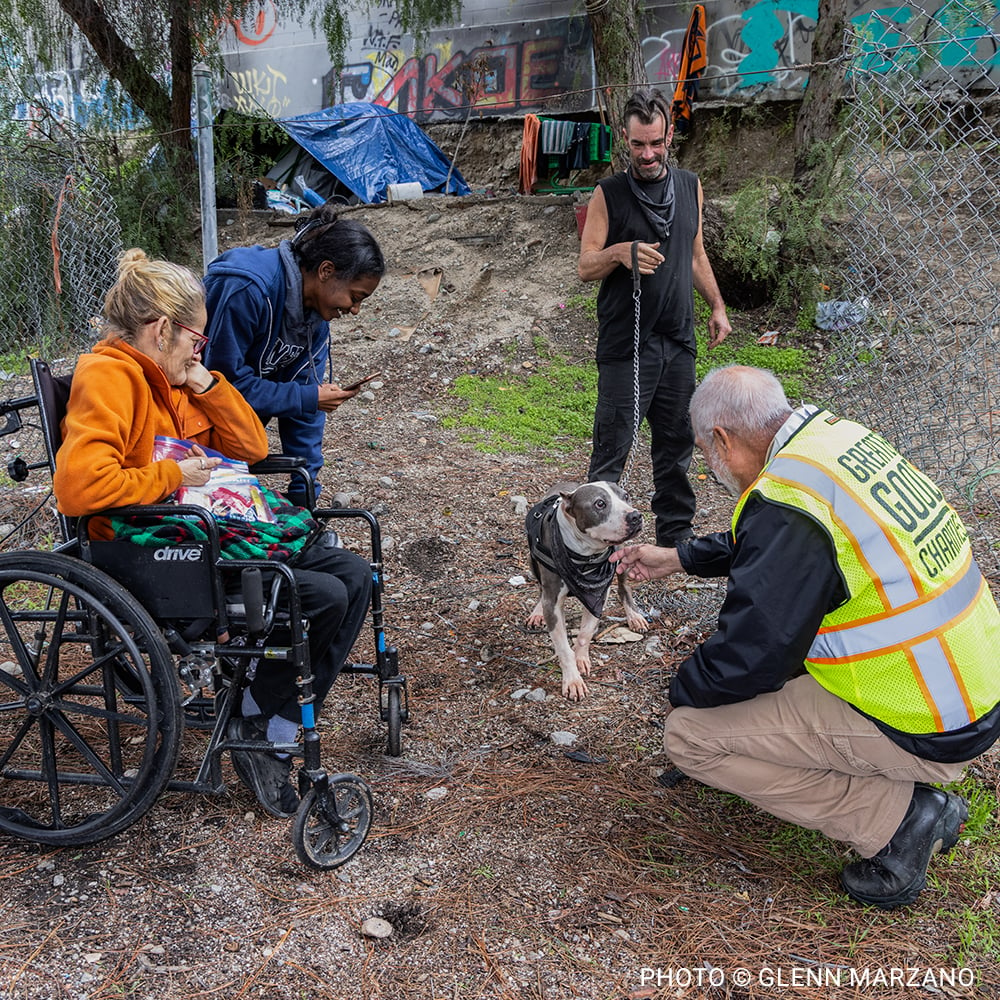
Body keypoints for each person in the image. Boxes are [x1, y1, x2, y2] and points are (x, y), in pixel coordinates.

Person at [612, 365, 1000, 909]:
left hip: (925, 720)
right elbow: (778, 545)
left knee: (690, 735)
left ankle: (900, 819)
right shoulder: (833, 442)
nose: (711, 466)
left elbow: (752, 656)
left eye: (706, 452)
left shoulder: (787, 503)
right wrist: (680, 556)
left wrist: (682, 690)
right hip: (964, 682)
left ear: (722, 438)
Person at [54, 249, 373, 819]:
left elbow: (251, 447)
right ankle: (260, 716)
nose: (199, 351)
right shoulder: (110, 376)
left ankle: (266, 719)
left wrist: (205, 380)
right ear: (161, 331)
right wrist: (173, 474)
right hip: (150, 545)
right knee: (321, 593)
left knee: (352, 574)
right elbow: (79, 487)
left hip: (200, 531)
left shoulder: (174, 379)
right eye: (195, 342)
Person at [578, 88, 732, 547]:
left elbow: (696, 253)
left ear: (669, 138)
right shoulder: (609, 194)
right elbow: (585, 265)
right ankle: (593, 539)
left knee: (676, 443)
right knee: (613, 446)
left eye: (657, 143)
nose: (648, 154)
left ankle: (675, 537)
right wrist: (621, 253)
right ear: (625, 140)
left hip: (677, 339)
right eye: (638, 144)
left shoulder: (689, 186)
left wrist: (718, 306)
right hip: (627, 343)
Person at [203, 205, 385, 505]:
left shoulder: (315, 316)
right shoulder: (246, 288)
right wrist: (309, 397)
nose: (355, 310)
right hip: (181, 439)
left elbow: (304, 404)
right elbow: (217, 386)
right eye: (355, 297)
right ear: (326, 271)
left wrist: (305, 489)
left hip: (230, 440)